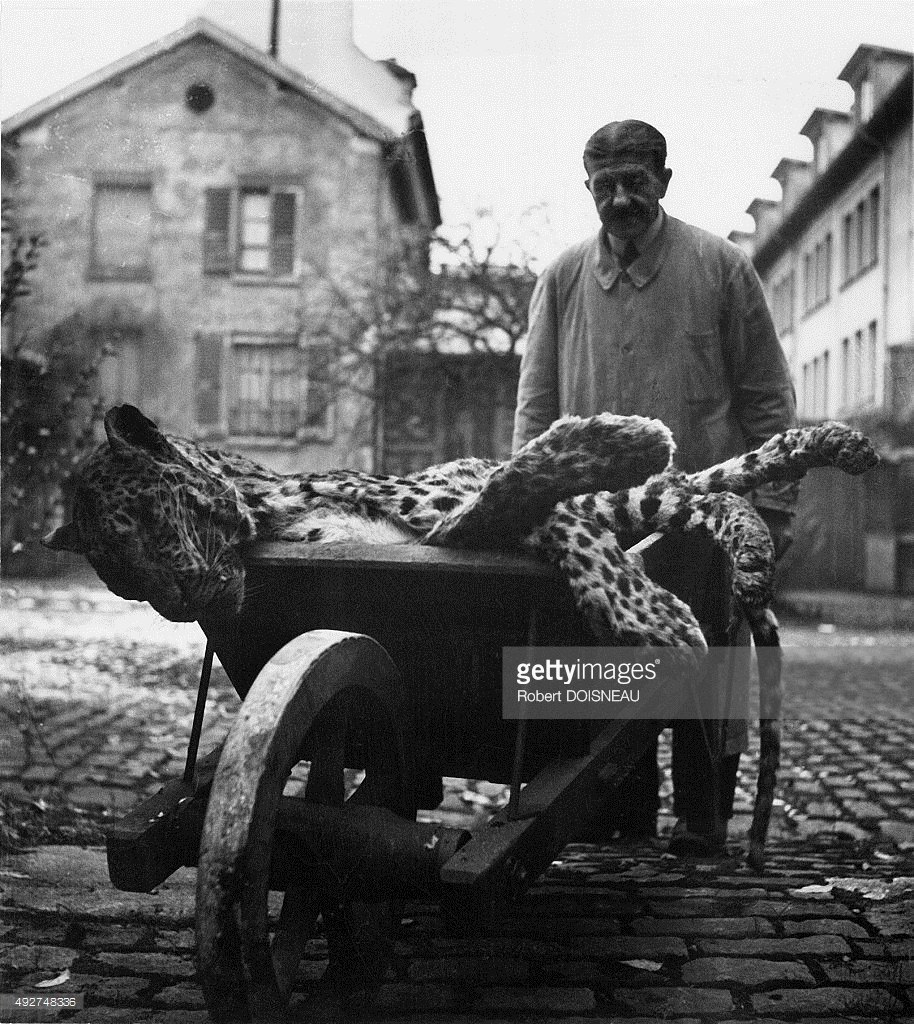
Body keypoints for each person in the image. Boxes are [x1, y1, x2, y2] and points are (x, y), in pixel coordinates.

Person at [512, 119, 797, 854]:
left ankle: (703, 822)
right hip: (601, 529)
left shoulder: (721, 267)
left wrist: (769, 516)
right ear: (588, 189)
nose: (620, 198)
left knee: (712, 670)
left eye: (635, 180)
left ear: (664, 180)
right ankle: (621, 817)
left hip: (704, 527)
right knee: (609, 669)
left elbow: (767, 400)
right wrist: (523, 504)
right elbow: (536, 408)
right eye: (604, 185)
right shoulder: (563, 278)